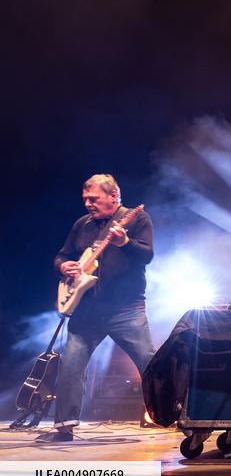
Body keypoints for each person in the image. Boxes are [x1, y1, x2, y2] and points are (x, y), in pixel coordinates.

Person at [36, 174, 155, 442]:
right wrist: (63, 266)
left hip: (126, 309)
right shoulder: (82, 224)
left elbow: (147, 255)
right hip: (88, 310)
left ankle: (174, 412)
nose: (88, 204)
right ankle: (64, 426)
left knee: (149, 362)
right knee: (71, 364)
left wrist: (125, 242)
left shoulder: (137, 219)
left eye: (93, 199)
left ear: (113, 196)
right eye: (85, 199)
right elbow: (62, 255)